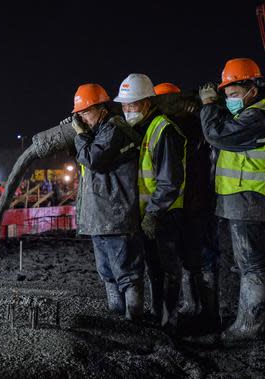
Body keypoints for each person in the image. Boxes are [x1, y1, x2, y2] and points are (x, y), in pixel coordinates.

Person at [199, 58, 265, 342]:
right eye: (227, 95)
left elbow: (217, 134)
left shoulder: (259, 116)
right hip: (243, 198)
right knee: (248, 263)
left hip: (251, 197)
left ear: (252, 87)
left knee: (252, 265)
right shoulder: (249, 113)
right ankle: (248, 322)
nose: (230, 99)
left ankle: (250, 327)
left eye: (234, 93)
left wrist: (210, 106)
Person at [114, 74, 187, 327]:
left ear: (146, 102)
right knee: (154, 270)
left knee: (168, 270)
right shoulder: (139, 130)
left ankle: (170, 322)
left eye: (131, 105)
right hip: (147, 215)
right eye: (123, 106)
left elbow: (170, 181)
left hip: (165, 214)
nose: (127, 110)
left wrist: (154, 213)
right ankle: (159, 319)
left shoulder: (163, 130)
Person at [72, 83, 144, 320]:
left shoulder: (114, 129)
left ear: (101, 108)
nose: (82, 118)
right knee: (106, 271)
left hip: (116, 213)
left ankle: (134, 321)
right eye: (79, 114)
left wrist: (80, 134)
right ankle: (117, 317)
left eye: (86, 112)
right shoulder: (99, 132)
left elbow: (93, 159)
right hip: (99, 216)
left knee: (126, 272)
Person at [154, 82, 221, 333]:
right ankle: (197, 309)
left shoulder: (187, 128)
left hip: (195, 205)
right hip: (185, 206)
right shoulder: (169, 128)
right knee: (190, 260)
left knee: (202, 259)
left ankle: (208, 314)